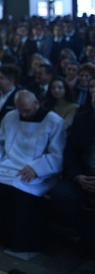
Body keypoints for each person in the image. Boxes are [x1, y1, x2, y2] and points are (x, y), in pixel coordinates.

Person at [0, 90, 66, 252]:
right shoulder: (10, 117)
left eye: (26, 110)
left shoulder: (54, 122)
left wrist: (37, 168)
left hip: (35, 167)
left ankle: (16, 239)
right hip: (9, 162)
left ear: (36, 103)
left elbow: (58, 154)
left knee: (18, 186)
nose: (23, 114)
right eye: (19, 110)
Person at [49, 77, 95, 256]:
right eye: (93, 91)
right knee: (61, 194)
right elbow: (71, 153)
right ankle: (88, 235)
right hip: (84, 175)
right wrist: (78, 176)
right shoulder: (83, 119)